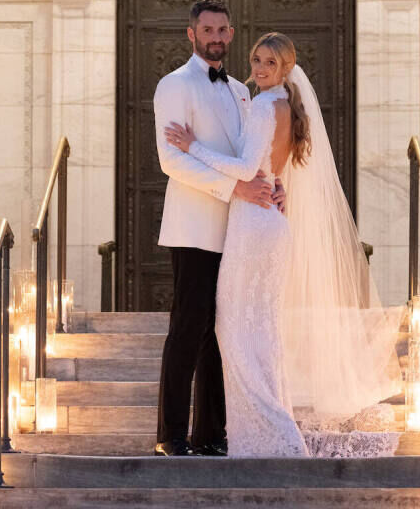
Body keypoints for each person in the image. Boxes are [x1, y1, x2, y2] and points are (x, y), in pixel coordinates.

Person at [165, 32, 401, 458]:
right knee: (259, 329)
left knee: (234, 329)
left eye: (269, 63)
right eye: (256, 59)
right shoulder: (285, 106)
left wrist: (192, 145)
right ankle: (260, 428)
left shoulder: (261, 104)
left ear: (286, 68)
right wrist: (275, 186)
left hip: (253, 225)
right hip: (269, 221)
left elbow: (242, 167)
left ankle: (272, 430)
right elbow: (270, 169)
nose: (258, 68)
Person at [152, 0, 283, 458]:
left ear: (230, 34)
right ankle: (170, 434)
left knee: (223, 332)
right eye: (207, 30)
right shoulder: (174, 85)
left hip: (241, 229)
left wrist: (273, 186)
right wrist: (236, 191)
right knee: (189, 328)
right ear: (192, 34)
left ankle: (211, 433)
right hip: (194, 227)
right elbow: (172, 160)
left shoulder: (242, 91)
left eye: (223, 30)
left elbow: (252, 155)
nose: (216, 37)